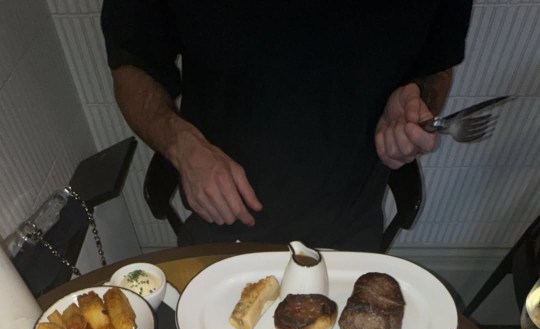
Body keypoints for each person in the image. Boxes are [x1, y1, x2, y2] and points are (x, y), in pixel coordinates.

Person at [101, 1, 473, 250]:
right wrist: (182, 145)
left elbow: (436, 63)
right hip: (221, 226)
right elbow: (134, 62)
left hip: (350, 227)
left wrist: (414, 103)